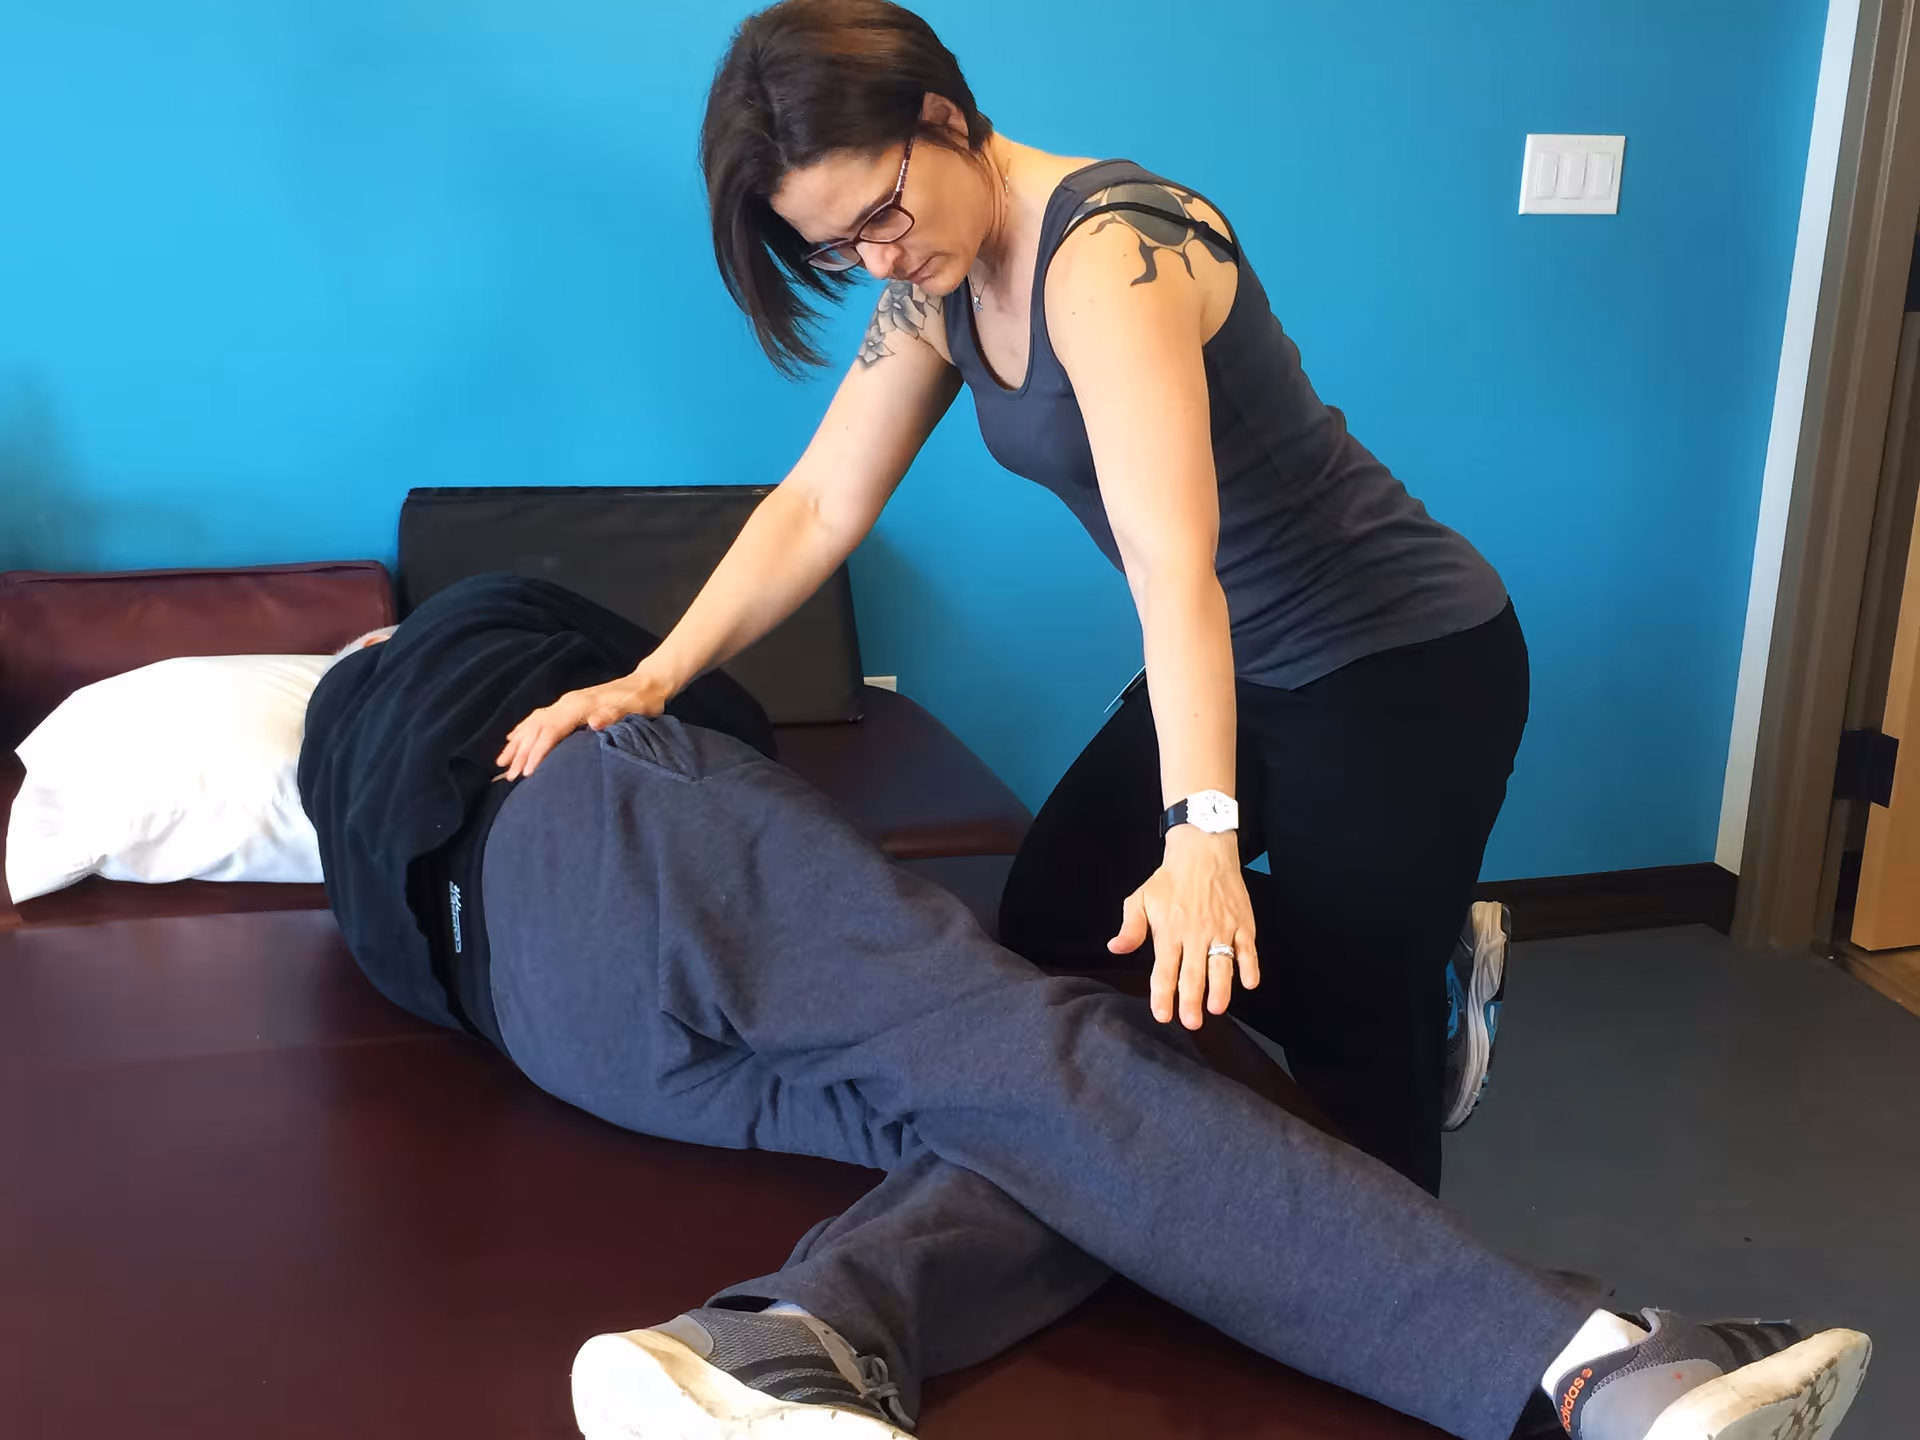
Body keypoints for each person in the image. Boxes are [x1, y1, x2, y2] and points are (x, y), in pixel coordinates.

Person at [299, 575, 1870, 1440]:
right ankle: (1592, 1369)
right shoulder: (487, 628)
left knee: (1018, 1115)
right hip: (617, 836)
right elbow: (697, 704)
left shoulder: (335, 811)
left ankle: (792, 1337)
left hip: (546, 1030)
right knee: (1049, 1049)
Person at [497, 0, 1521, 1193]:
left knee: (1360, 1050)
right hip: (1235, 655)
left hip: (1395, 662)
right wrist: (649, 678)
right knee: (1057, 913)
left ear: (942, 117)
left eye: (881, 214)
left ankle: (1410, 1197)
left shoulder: (1114, 255)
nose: (877, 258)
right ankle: (1411, 951)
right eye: (839, 246)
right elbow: (820, 503)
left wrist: (1204, 834)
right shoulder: (938, 278)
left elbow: (1170, 560)